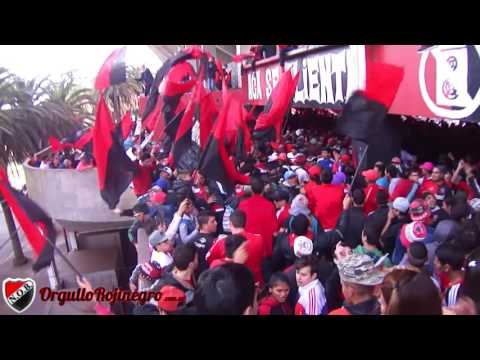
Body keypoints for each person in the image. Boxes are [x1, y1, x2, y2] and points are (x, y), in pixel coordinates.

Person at [206, 210, 265, 285]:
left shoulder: (221, 242)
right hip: (255, 281)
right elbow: (262, 257)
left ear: (230, 224)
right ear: (245, 223)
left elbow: (209, 259)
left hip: (233, 284)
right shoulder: (259, 239)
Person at [238, 177, 278, 258]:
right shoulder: (270, 205)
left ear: (251, 190)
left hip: (248, 246)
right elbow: (274, 228)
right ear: (263, 190)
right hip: (265, 247)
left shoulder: (242, 205)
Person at [149, 244, 198, 309]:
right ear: (191, 264)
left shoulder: (190, 273)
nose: (198, 261)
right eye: (196, 258)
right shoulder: (168, 288)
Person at [188, 210, 217, 274]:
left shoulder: (191, 241)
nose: (216, 223)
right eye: (212, 221)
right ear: (204, 225)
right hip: (210, 276)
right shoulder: (214, 243)